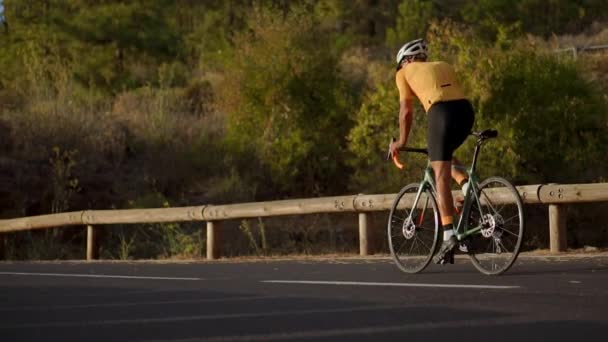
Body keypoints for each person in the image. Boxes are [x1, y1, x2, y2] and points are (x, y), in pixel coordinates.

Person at [389, 38, 475, 264]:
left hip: (441, 114)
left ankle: (448, 235)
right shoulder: (443, 64)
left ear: (406, 60)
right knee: (442, 156)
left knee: (440, 177)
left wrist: (400, 141)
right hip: (466, 112)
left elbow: (406, 112)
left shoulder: (403, 72)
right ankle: (468, 189)